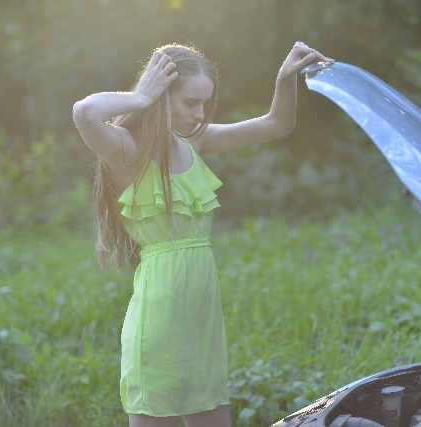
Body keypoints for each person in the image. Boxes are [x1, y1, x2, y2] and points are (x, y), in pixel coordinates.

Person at [72, 41, 333, 427]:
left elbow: (276, 124)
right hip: (158, 319)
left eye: (204, 104)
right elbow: (85, 112)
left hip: (202, 318)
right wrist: (141, 96)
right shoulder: (127, 151)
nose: (199, 115)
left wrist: (285, 77)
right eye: (190, 103)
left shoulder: (195, 142)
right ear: (162, 97)